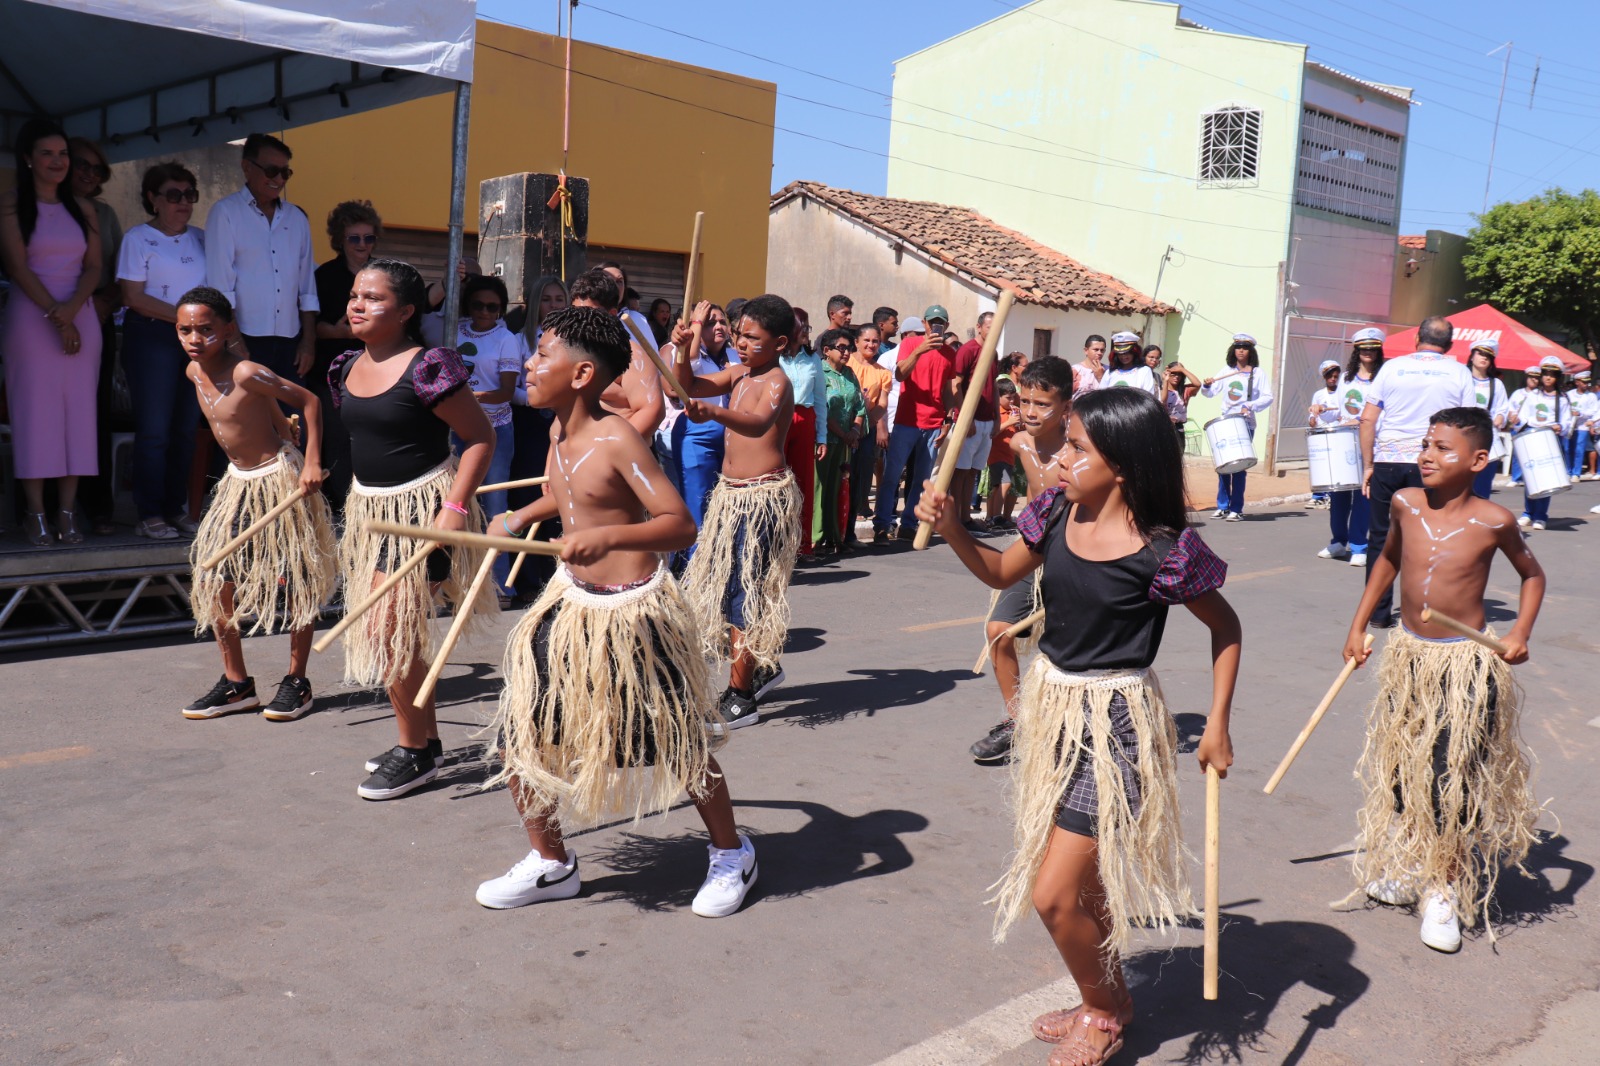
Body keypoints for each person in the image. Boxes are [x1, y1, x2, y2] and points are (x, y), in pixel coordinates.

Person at [915, 387, 1239, 1063]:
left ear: (1121, 464)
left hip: (1117, 727)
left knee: (1054, 894)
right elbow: (1000, 571)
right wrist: (952, 529)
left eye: (1077, 448)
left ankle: (1102, 1011)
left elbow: (1227, 628)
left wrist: (1217, 726)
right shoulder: (1057, 512)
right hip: (1054, 715)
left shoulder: (1162, 552)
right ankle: (1109, 995)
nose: (1060, 458)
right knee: (1082, 886)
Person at [477, 305, 756, 918]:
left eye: (542, 353)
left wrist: (610, 540)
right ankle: (553, 862)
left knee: (678, 743)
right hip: (571, 605)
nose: (528, 362)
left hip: (632, 614)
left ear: (580, 375)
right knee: (520, 735)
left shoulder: (615, 435)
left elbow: (677, 523)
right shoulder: (557, 431)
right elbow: (577, 490)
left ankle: (733, 852)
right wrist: (527, 513)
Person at [1340, 406, 1542, 953]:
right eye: (1425, 444)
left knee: (1452, 778)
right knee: (1405, 765)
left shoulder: (1494, 520)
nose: (1427, 455)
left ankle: (1444, 885)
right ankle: (1411, 865)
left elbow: (1532, 575)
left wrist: (1519, 632)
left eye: (1442, 448)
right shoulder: (1405, 504)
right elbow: (1386, 561)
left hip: (1463, 665)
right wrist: (1360, 625)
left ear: (1478, 460)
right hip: (1410, 657)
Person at [326, 258, 497, 800]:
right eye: (355, 294)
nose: (358, 304)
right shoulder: (343, 367)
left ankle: (415, 752)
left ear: (404, 311)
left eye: (373, 298)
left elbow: (480, 438)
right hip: (370, 513)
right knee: (392, 631)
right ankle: (423, 739)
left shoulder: (428, 367)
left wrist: (453, 507)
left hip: (423, 511)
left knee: (386, 630)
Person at [174, 287, 336, 721]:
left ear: (228, 330)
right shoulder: (193, 372)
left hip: (279, 481)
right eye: (185, 329)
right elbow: (258, 411)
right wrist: (283, 426)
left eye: (206, 330)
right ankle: (236, 684)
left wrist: (311, 462)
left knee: (298, 579)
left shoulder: (246, 371)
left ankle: (297, 682)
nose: (195, 338)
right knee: (214, 580)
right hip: (238, 485)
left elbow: (311, 400)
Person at [675, 294, 800, 729]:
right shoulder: (740, 373)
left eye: (753, 338)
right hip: (731, 496)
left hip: (761, 499)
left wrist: (714, 412)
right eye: (739, 334)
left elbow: (758, 423)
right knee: (733, 589)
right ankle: (763, 667)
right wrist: (681, 348)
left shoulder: (777, 382)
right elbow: (688, 385)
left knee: (745, 592)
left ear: (780, 342)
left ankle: (741, 695)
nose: (741, 343)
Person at [0, 118, 103, 547]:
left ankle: (67, 512)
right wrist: (57, 315)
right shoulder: (9, 205)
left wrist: (72, 310)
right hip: (31, 317)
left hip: (80, 313)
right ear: (27, 159)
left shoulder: (84, 208)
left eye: (63, 154)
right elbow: (18, 267)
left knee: (78, 415)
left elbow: (95, 266)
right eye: (47, 153)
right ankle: (36, 514)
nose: (58, 162)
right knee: (35, 415)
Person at [969, 357, 1075, 765]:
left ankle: (1071, 727)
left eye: (1042, 404)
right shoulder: (1019, 443)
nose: (1030, 411)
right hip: (1032, 549)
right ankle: (1019, 721)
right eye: (1024, 401)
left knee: (1064, 651)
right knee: (998, 631)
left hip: (1075, 556)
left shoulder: (1081, 448)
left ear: (1066, 407)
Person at [1356, 315, 1476, 628]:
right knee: (1433, 537)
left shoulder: (1392, 368)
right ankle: (1423, 612)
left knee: (1381, 538)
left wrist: (1369, 464)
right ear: (1449, 345)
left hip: (1388, 461)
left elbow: (1367, 420)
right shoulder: (1459, 372)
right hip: (1433, 464)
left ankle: (1377, 613)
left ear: (1416, 339)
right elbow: (1470, 425)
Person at [116, 162, 207, 540]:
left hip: (196, 343)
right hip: (152, 338)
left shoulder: (202, 238)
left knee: (186, 429)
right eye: (173, 195)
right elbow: (133, 297)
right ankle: (149, 513)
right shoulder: (137, 238)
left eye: (189, 195)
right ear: (153, 199)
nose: (183, 202)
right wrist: (185, 320)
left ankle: (175, 508)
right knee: (154, 431)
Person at [203, 133, 317, 390]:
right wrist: (233, 340)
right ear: (246, 167)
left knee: (291, 422)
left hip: (291, 342)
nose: (278, 179)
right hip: (246, 338)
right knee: (250, 423)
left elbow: (307, 287)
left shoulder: (297, 218)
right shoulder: (225, 213)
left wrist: (308, 341)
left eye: (285, 173)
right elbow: (221, 285)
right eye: (271, 170)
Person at [453, 275, 526, 598]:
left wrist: (469, 397)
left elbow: (506, 392)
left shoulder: (506, 338)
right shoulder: (454, 330)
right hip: (456, 427)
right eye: (478, 305)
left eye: (493, 307)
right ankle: (455, 583)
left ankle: (499, 585)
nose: (485, 312)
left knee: (496, 503)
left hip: (495, 429)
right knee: (456, 503)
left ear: (501, 309)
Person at [67, 137, 125, 536]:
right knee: (52, 417)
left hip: (95, 318)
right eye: (81, 165)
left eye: (96, 168)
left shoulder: (104, 214)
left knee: (94, 414)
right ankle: (50, 507)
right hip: (44, 320)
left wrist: (104, 303)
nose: (89, 173)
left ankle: (97, 506)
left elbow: (120, 270)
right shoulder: (34, 209)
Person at [311, 199, 382, 511]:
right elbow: (316, 329)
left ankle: (368, 502)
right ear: (340, 240)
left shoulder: (384, 274)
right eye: (354, 238)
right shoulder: (324, 276)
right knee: (338, 439)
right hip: (333, 371)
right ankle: (341, 507)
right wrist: (350, 331)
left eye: (369, 238)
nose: (362, 245)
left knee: (372, 437)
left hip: (377, 369)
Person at [506, 274, 569, 602]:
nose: (554, 305)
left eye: (560, 299)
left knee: (558, 493)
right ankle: (528, 580)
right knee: (531, 494)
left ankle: (555, 576)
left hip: (562, 420)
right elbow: (512, 387)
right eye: (547, 299)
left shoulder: (572, 340)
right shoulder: (519, 339)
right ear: (534, 304)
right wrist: (536, 397)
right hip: (530, 423)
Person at [872, 314, 955, 543]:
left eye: (941, 323)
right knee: (891, 476)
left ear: (946, 325)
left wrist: (949, 419)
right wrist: (920, 350)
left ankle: (908, 524)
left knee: (922, 479)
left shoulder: (949, 353)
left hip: (934, 423)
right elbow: (899, 374)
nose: (935, 326)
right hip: (906, 420)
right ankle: (882, 524)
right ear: (925, 324)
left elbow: (947, 390)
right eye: (932, 322)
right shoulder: (909, 344)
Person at [665, 300, 737, 559]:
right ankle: (692, 569)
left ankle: (718, 564)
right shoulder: (681, 351)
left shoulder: (734, 355)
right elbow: (683, 373)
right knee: (697, 506)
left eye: (721, 321)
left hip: (729, 438)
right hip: (696, 437)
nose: (718, 326)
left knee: (722, 507)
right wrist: (694, 325)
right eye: (710, 322)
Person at [568, 267, 664, 438]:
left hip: (620, 451)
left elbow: (652, 411)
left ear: (611, 314)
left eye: (590, 314)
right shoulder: (567, 349)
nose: (582, 321)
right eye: (576, 313)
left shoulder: (630, 353)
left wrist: (609, 451)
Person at [1319, 328, 1385, 565]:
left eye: (1373, 349)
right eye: (1364, 348)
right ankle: (1338, 542)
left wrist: (1360, 421)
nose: (1368, 352)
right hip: (1344, 442)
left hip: (1371, 443)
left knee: (1363, 495)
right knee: (1338, 494)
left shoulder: (1384, 378)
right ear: (1357, 350)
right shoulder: (1346, 378)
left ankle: (1359, 546)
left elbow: (1386, 413)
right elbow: (1337, 411)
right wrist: (1320, 411)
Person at [1201, 333, 1275, 522]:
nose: (1240, 351)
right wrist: (1207, 385)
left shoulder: (1257, 373)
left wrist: (1250, 405)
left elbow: (1268, 397)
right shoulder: (1227, 370)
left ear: (1250, 352)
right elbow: (1209, 393)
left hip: (1245, 423)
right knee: (1224, 464)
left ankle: (1237, 508)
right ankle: (1222, 506)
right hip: (1226, 422)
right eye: (1238, 347)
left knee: (1239, 466)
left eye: (1244, 348)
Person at [813, 326, 866, 554]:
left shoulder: (850, 374)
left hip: (845, 443)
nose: (846, 353)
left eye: (849, 348)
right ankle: (815, 539)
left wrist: (854, 431)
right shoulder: (819, 373)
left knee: (838, 489)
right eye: (841, 348)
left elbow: (860, 406)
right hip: (825, 441)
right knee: (820, 489)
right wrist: (844, 434)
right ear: (827, 350)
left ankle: (837, 536)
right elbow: (822, 409)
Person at [780, 306, 827, 556]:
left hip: (806, 418)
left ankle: (801, 545)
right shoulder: (776, 357)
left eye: (808, 326)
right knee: (778, 481)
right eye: (803, 325)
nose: (807, 331)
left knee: (802, 482)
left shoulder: (813, 359)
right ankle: (777, 542)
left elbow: (820, 399)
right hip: (779, 418)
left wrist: (822, 436)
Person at [1507, 355, 1571, 531]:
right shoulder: (1533, 395)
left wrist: (1561, 427)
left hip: (1550, 438)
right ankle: (1528, 513)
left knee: (1546, 478)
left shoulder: (1562, 399)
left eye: (1552, 374)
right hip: (1532, 436)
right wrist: (1516, 420)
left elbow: (1566, 423)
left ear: (1558, 377)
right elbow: (1524, 417)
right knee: (1530, 477)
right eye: (1545, 373)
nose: (1548, 377)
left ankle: (1541, 515)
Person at [951, 311, 1000, 532]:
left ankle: (966, 517)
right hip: (970, 421)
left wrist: (997, 416)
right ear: (979, 327)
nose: (993, 330)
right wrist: (965, 417)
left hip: (987, 420)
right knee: (960, 471)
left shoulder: (993, 353)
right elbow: (956, 384)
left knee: (973, 471)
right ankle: (955, 519)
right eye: (990, 326)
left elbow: (995, 385)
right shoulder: (967, 350)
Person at [846, 322, 892, 542]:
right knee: (841, 480)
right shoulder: (847, 364)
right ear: (856, 342)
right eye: (866, 340)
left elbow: (881, 404)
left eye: (875, 341)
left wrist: (863, 426)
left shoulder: (883, 373)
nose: (871, 345)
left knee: (860, 480)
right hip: (841, 430)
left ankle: (849, 532)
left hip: (865, 433)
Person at [1463, 338, 1508, 500]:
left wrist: (1500, 417)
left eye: (1487, 356)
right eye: (1479, 354)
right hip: (1463, 437)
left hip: (1487, 438)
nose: (1483, 358)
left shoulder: (1496, 384)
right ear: (1472, 356)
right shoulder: (1462, 379)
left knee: (1482, 487)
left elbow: (1503, 408)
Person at [983, 379, 1021, 528]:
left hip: (1009, 455)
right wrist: (1009, 422)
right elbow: (993, 432)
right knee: (1004, 484)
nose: (1012, 401)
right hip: (997, 454)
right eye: (1008, 398)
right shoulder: (997, 412)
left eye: (1013, 397)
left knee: (997, 486)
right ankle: (997, 517)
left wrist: (1019, 424)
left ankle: (991, 517)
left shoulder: (1012, 411)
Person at [1503, 368, 1540, 487]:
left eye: (1536, 378)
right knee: (1518, 452)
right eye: (1531, 377)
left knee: (1533, 453)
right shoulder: (1518, 393)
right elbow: (1510, 407)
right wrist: (1512, 416)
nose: (1534, 380)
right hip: (1518, 426)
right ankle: (1516, 477)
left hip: (1532, 425)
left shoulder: (1539, 394)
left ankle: (1531, 477)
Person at [1099, 331, 1158, 396]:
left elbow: (1148, 396)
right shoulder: (1109, 372)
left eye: (1127, 353)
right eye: (1120, 353)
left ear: (1134, 352)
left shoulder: (1144, 371)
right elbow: (1101, 396)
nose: (1123, 356)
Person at [1163, 361, 1201, 449]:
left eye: (1179, 374)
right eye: (1173, 374)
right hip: (1164, 426)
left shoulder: (1185, 390)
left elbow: (1198, 384)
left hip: (1178, 427)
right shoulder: (1161, 389)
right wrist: (1165, 380)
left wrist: (1182, 369)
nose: (1176, 377)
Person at [1569, 370, 1598, 480]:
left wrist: (1580, 414)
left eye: (1587, 382)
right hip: (1570, 426)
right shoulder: (1569, 394)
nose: (1586, 384)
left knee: (1579, 449)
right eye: (1583, 382)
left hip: (1582, 426)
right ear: (1577, 382)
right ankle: (1568, 470)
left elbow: (1593, 412)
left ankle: (1576, 473)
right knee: (1567, 449)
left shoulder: (1591, 396)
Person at [1074, 334, 1107, 398]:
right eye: (1096, 349)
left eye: (1102, 350)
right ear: (1086, 351)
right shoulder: (1075, 371)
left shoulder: (1108, 371)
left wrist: (1101, 378)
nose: (1099, 353)